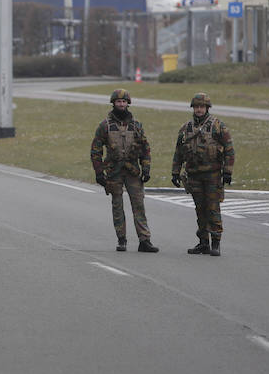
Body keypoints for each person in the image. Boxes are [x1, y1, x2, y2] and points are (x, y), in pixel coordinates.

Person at [90, 89, 159, 253]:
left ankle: (145, 240)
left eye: (124, 101)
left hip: (132, 171)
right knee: (117, 205)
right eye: (118, 102)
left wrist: (146, 168)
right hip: (113, 172)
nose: (121, 104)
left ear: (128, 103)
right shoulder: (104, 126)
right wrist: (99, 173)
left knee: (138, 205)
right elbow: (95, 151)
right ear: (113, 103)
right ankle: (121, 239)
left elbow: (145, 148)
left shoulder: (136, 125)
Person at [171, 92, 235, 257]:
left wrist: (227, 172)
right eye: (197, 107)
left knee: (213, 208)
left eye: (202, 107)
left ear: (207, 108)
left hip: (212, 175)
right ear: (193, 108)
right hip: (194, 175)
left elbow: (229, 149)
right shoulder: (186, 128)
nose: (199, 109)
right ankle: (203, 242)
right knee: (200, 209)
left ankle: (216, 242)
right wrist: (175, 172)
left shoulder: (217, 126)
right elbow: (178, 152)